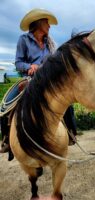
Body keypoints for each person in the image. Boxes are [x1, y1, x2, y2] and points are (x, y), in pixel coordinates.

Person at [0, 8, 77, 156]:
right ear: (39, 23)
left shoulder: (50, 44)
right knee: (6, 106)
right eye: (47, 22)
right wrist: (30, 67)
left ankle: (71, 133)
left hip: (47, 80)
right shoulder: (24, 40)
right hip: (29, 79)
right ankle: (7, 140)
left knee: (67, 100)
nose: (49, 26)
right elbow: (18, 62)